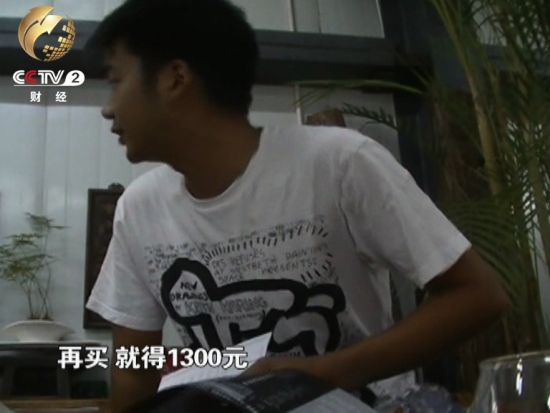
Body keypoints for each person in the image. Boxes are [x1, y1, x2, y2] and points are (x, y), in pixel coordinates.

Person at [85, 0, 510, 412]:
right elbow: (134, 370)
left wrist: (323, 373)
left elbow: (477, 295)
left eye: (116, 80)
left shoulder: (339, 163)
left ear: (175, 78)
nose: (107, 108)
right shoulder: (139, 209)